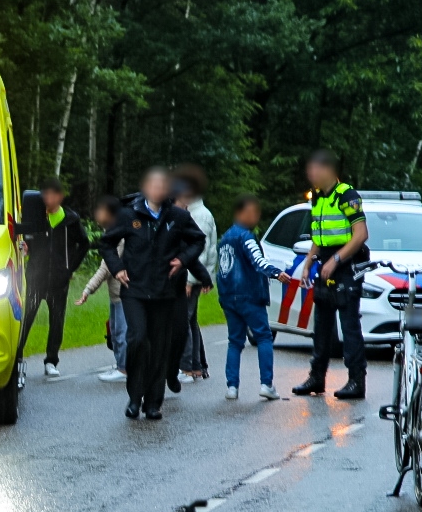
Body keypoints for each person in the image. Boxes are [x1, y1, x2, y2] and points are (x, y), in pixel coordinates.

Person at [97, 167, 206, 420]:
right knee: (138, 339)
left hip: (164, 293)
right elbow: (106, 243)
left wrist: (183, 259)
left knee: (159, 347)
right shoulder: (128, 214)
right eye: (153, 185)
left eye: (162, 186)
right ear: (145, 188)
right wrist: (117, 268)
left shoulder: (177, 216)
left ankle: (153, 403)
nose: (157, 190)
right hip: (134, 290)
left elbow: (197, 240)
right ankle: (135, 398)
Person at [291, 149, 370, 400]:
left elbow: (361, 234)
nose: (311, 174)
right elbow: (318, 236)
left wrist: (336, 260)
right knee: (321, 325)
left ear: (328, 170)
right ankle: (317, 377)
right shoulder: (318, 198)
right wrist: (308, 262)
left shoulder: (346, 195)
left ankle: (356, 381)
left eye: (314, 169)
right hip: (324, 264)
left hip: (346, 265)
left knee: (349, 326)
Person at [16, 178, 90, 379]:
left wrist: (70, 268)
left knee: (56, 321)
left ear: (60, 196)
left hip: (59, 281)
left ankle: (51, 361)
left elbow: (84, 243)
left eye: (51, 194)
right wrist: (26, 248)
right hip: (36, 278)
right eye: (44, 194)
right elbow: (27, 241)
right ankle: (17, 358)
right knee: (26, 318)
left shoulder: (70, 220)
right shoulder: (36, 218)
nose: (47, 198)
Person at [215, 194, 284, 400]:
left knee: (235, 341)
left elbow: (223, 269)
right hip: (249, 295)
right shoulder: (246, 237)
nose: (255, 217)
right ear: (241, 213)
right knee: (263, 336)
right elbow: (258, 261)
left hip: (228, 296)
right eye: (252, 212)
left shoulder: (225, 238)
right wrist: (275, 273)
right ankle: (266, 384)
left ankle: (232, 386)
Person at [77, 196, 129, 382]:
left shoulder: (120, 237)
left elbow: (106, 268)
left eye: (101, 211)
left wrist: (88, 290)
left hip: (124, 294)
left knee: (121, 333)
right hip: (115, 295)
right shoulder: (111, 233)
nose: (97, 215)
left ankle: (124, 369)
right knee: (115, 332)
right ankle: (120, 365)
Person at [174, 166, 217, 382]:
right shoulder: (194, 211)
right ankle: (197, 366)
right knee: (191, 320)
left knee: (184, 319)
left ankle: (187, 368)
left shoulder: (199, 215)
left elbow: (199, 250)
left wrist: (190, 280)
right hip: (195, 274)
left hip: (192, 275)